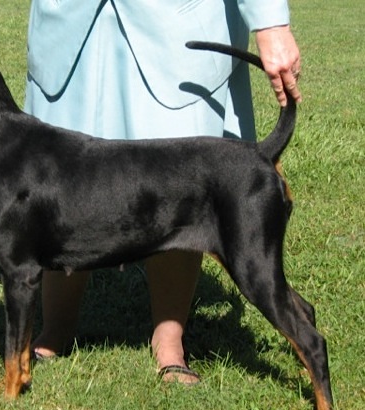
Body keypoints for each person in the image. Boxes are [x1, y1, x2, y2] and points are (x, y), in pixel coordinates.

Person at [24, 0, 301, 385]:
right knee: (59, 178)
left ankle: (170, 341)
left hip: (177, 24)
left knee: (185, 185)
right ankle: (54, 329)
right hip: (68, 24)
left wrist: (271, 23)